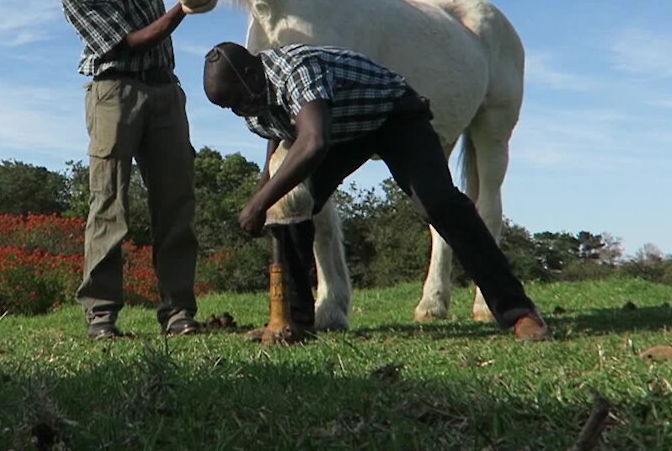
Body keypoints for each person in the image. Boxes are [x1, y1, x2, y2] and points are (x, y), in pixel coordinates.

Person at [202, 41, 552, 340]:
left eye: (236, 100)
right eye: (227, 107)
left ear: (251, 74)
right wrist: (266, 198)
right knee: (292, 207)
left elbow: (313, 141)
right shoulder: (249, 102)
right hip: (343, 131)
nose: (237, 110)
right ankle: (294, 322)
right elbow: (280, 136)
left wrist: (258, 203)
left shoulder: (296, 69)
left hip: (393, 116)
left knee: (440, 204)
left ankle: (519, 312)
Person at [61, 0, 202, 340]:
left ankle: (178, 313)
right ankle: (101, 317)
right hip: (114, 91)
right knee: (109, 202)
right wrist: (185, 5)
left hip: (164, 89)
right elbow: (131, 42)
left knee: (176, 200)